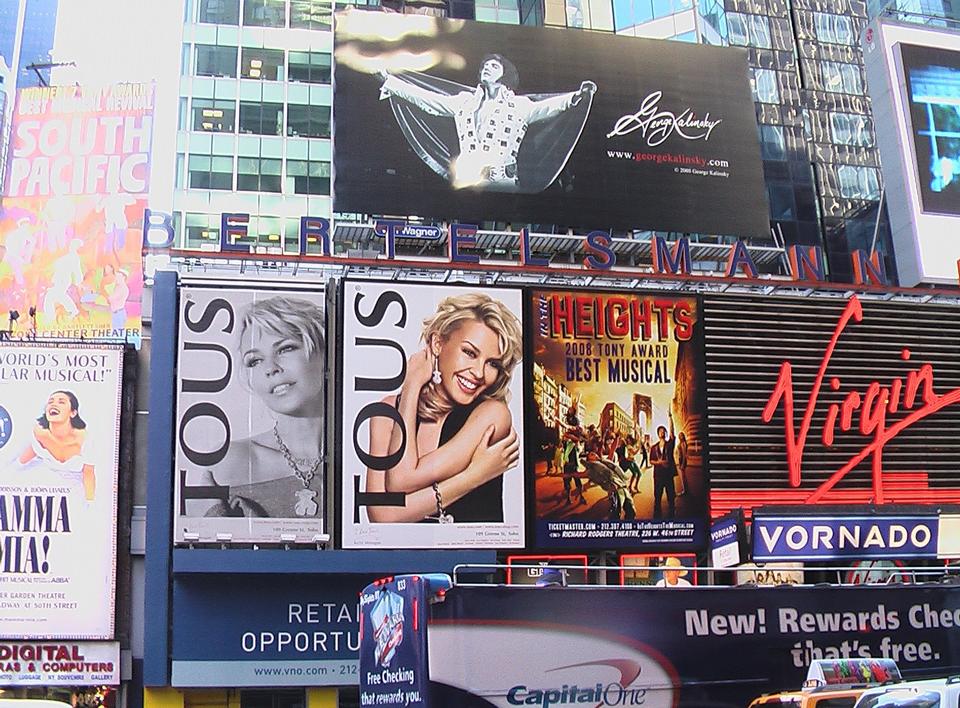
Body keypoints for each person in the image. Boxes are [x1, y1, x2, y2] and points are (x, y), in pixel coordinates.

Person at [364, 292, 523, 523]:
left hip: (472, 557)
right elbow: (381, 515)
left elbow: (401, 479)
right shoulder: (386, 412)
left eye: (492, 364)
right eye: (469, 353)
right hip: (402, 559)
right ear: (438, 343)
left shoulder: (492, 415)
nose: (479, 373)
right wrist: (474, 476)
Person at [378, 54, 597, 192]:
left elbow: (550, 106)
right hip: (466, 180)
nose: (487, 68)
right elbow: (428, 99)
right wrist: (390, 81)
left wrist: (577, 96)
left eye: (494, 66)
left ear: (505, 74)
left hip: (503, 181)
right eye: (485, 65)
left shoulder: (520, 106)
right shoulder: (463, 101)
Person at [202, 296, 326, 518]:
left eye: (286, 348)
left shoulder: (365, 457)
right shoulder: (228, 461)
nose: (270, 368)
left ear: (324, 354)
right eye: (255, 361)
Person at [18, 390, 96, 500]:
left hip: (73, 495)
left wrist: (90, 502)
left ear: (73, 413)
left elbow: (89, 474)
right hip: (42, 488)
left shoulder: (84, 439)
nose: (53, 404)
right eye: (50, 402)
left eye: (61, 402)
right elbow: (26, 457)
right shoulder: (39, 432)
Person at [650, 411, 677, 519]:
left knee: (671, 495)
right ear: (658, 433)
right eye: (660, 431)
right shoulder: (653, 447)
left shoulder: (670, 444)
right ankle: (657, 516)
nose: (662, 432)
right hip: (658, 475)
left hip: (668, 474)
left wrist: (670, 418)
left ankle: (672, 514)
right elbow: (651, 461)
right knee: (657, 496)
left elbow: (672, 432)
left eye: (663, 431)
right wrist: (659, 462)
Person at [676, 430, 689, 497]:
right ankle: (686, 490)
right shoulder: (682, 443)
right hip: (681, 461)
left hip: (682, 461)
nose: (680, 437)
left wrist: (682, 464)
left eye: (681, 435)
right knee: (683, 477)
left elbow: (684, 455)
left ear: (683, 436)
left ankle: (684, 491)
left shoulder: (683, 443)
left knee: (683, 477)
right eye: (679, 436)